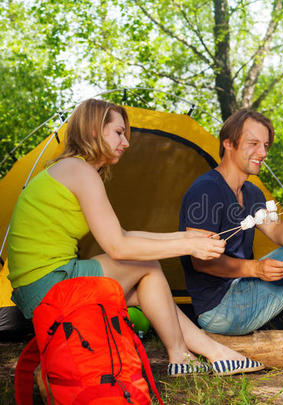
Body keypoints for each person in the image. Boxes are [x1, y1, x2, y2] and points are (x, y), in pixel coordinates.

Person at [7, 99, 263, 377]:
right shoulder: (79, 171)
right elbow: (118, 247)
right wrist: (189, 244)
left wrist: (186, 237)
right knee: (146, 265)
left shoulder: (72, 169)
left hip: (35, 287)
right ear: (94, 131)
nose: (126, 142)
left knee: (145, 291)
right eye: (118, 132)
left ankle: (215, 353)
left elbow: (124, 234)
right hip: (48, 284)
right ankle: (180, 355)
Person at [179, 108, 283, 377]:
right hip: (218, 309)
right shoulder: (206, 189)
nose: (262, 152)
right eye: (253, 144)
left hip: (242, 292)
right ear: (228, 143)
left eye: (265, 145)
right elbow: (200, 262)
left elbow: (277, 228)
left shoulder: (252, 191)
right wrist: (256, 270)